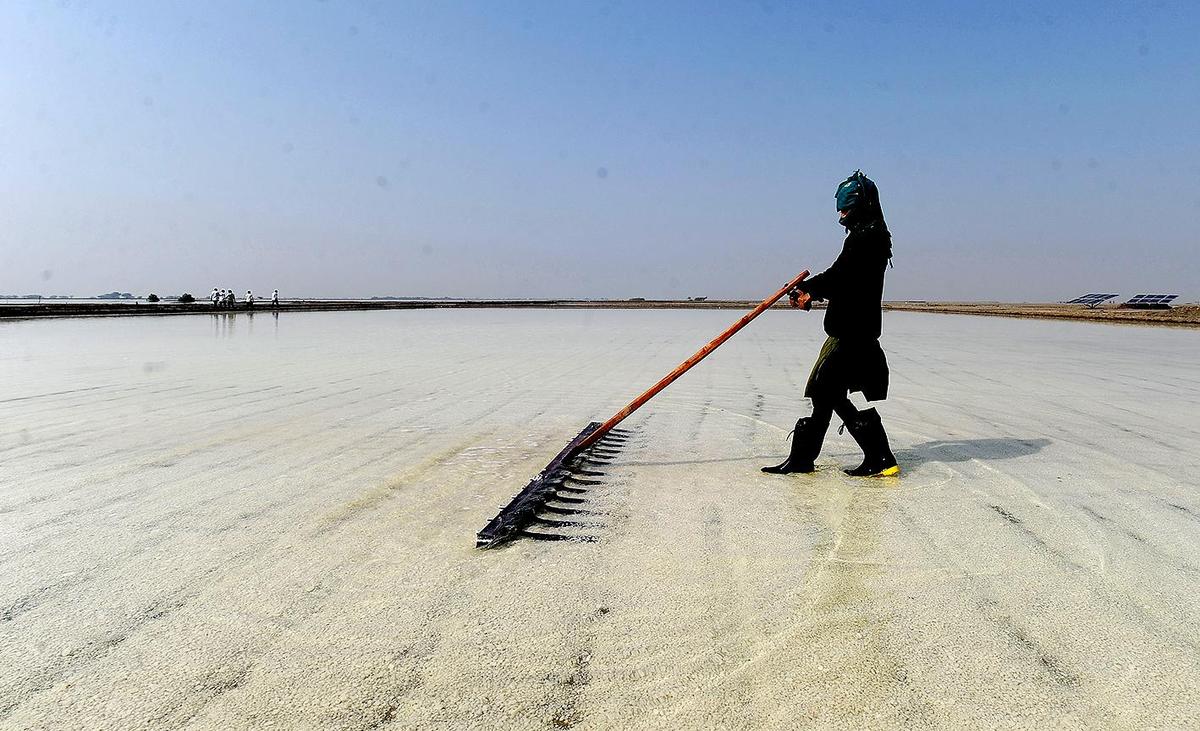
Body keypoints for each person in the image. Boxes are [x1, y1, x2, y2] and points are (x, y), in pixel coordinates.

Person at [762, 170, 899, 477]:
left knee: (825, 392)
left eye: (846, 206)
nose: (841, 212)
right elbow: (841, 276)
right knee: (824, 396)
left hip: (852, 334)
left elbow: (841, 278)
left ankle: (880, 457)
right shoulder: (867, 236)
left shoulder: (867, 239)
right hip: (849, 331)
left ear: (861, 203)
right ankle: (804, 460)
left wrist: (809, 289)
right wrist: (810, 289)